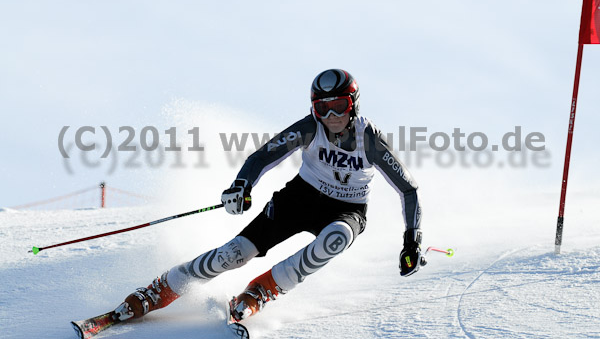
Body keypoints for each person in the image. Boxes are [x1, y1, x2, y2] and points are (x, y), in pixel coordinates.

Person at [112, 69, 423, 323]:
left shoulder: (369, 140)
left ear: (353, 104)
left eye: (338, 106)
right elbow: (262, 157)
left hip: (346, 208)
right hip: (301, 197)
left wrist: (412, 240)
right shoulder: (309, 128)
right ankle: (160, 289)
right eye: (321, 107)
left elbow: (408, 189)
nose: (330, 115)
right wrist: (241, 186)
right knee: (234, 255)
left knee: (336, 238)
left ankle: (262, 290)